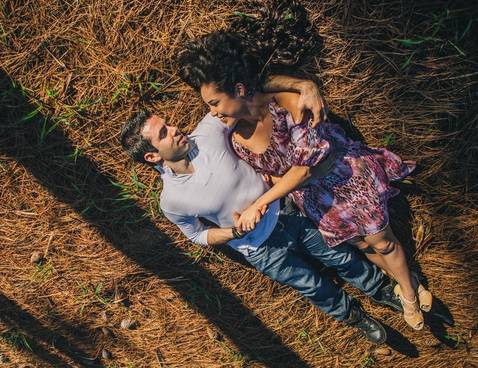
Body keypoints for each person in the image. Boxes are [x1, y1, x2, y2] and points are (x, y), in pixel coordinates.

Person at [176, 30, 433, 333]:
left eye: (215, 102)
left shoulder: (288, 103)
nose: (212, 112)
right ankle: (409, 282)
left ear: (239, 88)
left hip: (344, 180)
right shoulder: (232, 137)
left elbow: (304, 169)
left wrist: (260, 203)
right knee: (363, 245)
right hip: (313, 200)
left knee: (382, 240)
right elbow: (270, 175)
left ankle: (409, 294)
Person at [119, 107, 403, 344]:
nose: (174, 128)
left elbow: (237, 100)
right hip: (261, 250)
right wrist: (235, 232)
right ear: (152, 156)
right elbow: (196, 234)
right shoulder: (171, 201)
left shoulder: (207, 133)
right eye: (164, 133)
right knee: (312, 286)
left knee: (339, 256)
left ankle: (381, 290)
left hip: (289, 212)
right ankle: (355, 317)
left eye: (167, 123)